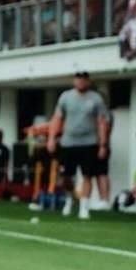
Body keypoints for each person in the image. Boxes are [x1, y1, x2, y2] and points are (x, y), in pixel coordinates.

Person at [46, 71, 109, 220]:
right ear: (74, 81)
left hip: (89, 142)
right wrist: (51, 138)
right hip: (68, 142)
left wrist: (103, 144)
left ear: (88, 81)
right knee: (66, 176)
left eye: (83, 79)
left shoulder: (96, 98)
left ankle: (84, 206)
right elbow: (57, 118)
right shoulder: (66, 97)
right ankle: (69, 199)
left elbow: (102, 122)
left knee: (87, 175)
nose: (80, 82)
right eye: (78, 79)